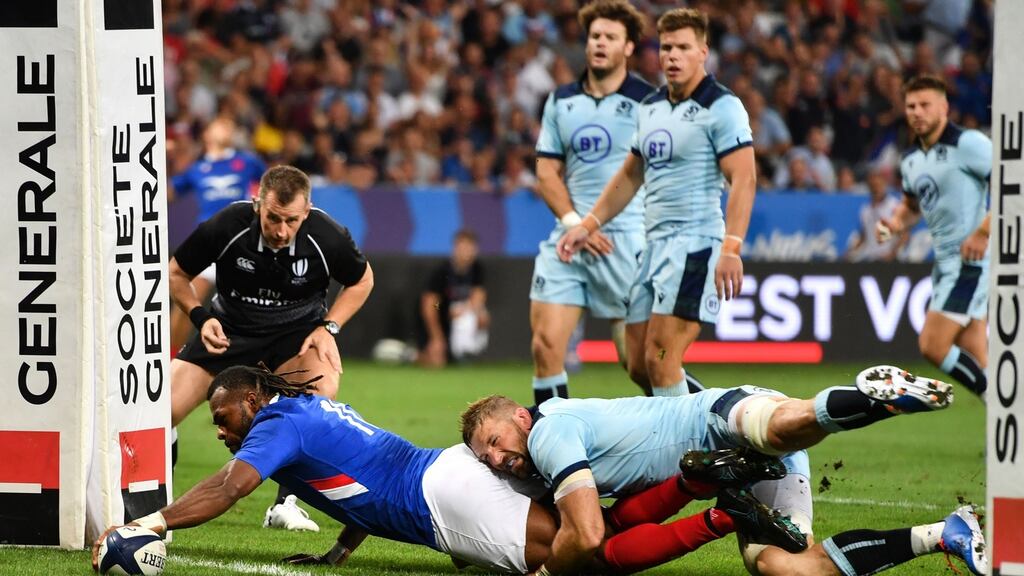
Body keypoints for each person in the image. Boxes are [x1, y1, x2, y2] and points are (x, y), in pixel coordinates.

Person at [93, 365, 794, 575]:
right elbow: (357, 475)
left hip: (445, 500)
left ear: (252, 401)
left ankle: (719, 512)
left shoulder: (276, 425)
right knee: (596, 527)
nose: (221, 432)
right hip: (446, 471)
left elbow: (229, 489)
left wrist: (150, 522)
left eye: (223, 419)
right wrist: (340, 550)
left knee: (592, 556)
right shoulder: (307, 411)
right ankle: (700, 483)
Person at [462, 365, 987, 576]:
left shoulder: (549, 434)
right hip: (740, 469)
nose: (497, 458)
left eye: (494, 441)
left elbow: (588, 533)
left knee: (776, 427)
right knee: (787, 569)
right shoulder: (539, 460)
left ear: (520, 417)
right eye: (487, 458)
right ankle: (946, 533)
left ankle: (877, 399)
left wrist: (545, 574)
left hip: (715, 415)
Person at [557, 8, 755, 397]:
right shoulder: (650, 106)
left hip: (696, 245)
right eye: (666, 48)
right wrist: (588, 224)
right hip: (653, 248)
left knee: (661, 359)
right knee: (638, 363)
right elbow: (631, 175)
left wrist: (732, 247)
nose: (673, 56)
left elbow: (744, 179)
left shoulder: (722, 106)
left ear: (703, 52)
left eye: (683, 47)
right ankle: (716, 416)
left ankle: (696, 437)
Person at [168, 165, 374, 530]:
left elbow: (362, 281)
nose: (281, 231)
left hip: (295, 337)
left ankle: (285, 504)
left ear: (306, 212)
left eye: (291, 220)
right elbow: (176, 272)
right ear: (257, 204)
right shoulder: (228, 225)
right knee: (158, 411)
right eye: (273, 218)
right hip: (228, 332)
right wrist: (201, 317)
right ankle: (154, 495)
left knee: (319, 396)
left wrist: (329, 327)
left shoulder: (326, 235)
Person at [531, 0, 700, 402]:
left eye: (610, 37)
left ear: (628, 47)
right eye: (594, 36)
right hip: (570, 236)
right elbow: (546, 172)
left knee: (642, 364)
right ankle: (557, 436)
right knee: (545, 346)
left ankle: (714, 419)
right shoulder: (560, 100)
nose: (599, 43)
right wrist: (576, 224)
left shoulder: (651, 102)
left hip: (627, 240)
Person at [879, 74, 991, 400]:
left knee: (933, 345)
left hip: (971, 262)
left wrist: (984, 232)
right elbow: (912, 206)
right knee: (976, 355)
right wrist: (895, 223)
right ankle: (1009, 423)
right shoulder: (910, 160)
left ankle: (1004, 402)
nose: (917, 112)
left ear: (944, 107)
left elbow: (1013, 181)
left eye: (925, 105)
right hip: (944, 264)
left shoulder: (968, 144)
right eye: (911, 106)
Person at [168, 117, 266, 352]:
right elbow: (169, 193)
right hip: (209, 242)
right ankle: (171, 357)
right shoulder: (197, 169)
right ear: (206, 134)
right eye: (220, 124)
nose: (227, 128)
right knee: (187, 302)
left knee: (256, 305)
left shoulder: (247, 161)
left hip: (242, 241)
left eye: (229, 125)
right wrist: (166, 159)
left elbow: (272, 181)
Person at [418, 229, 490, 367]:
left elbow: (479, 296)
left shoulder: (477, 269)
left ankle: (465, 352)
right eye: (462, 247)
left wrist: (465, 309)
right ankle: (418, 355)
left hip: (460, 317)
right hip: (440, 317)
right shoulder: (442, 272)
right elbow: (431, 305)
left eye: (470, 247)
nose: (466, 252)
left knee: (481, 315)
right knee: (436, 363)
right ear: (455, 248)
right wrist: (437, 338)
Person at [846, 168, 906, 262]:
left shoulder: (894, 206)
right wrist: (851, 251)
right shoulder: (865, 210)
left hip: (891, 260)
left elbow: (905, 234)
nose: (875, 189)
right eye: (872, 186)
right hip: (872, 259)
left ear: (884, 185)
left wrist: (892, 254)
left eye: (878, 185)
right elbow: (864, 236)